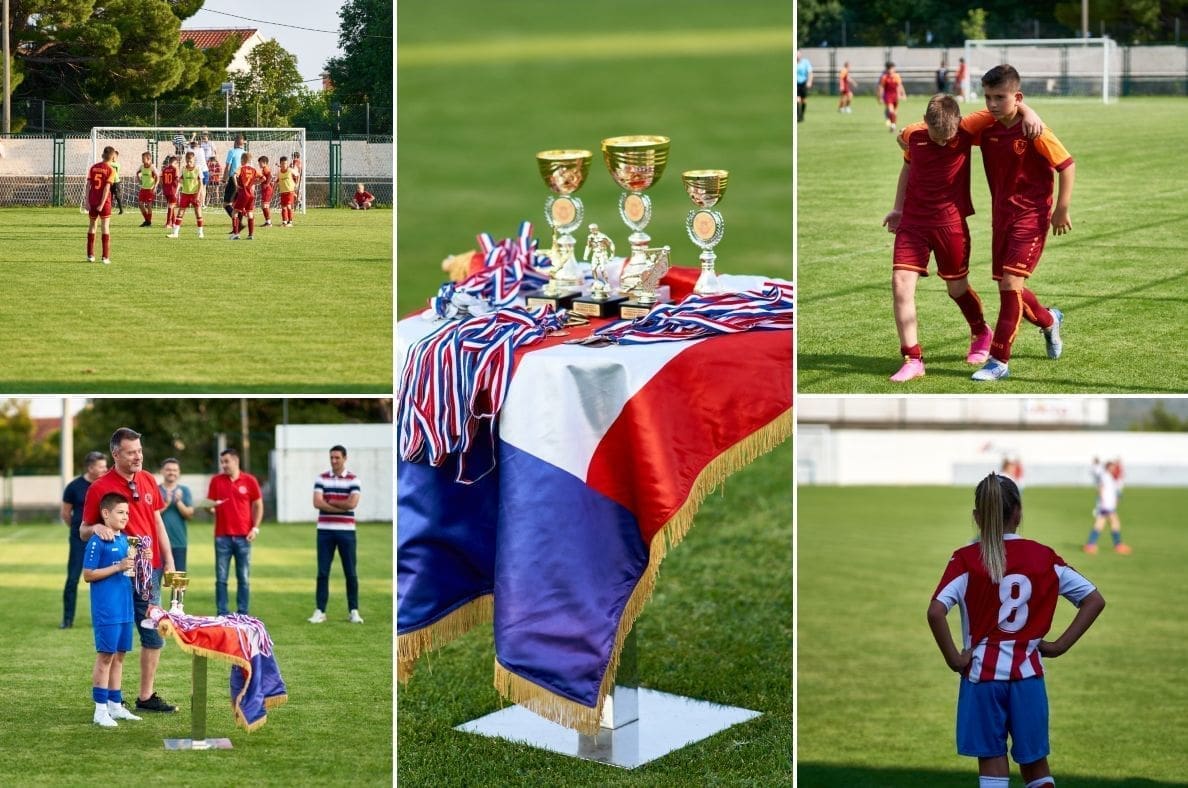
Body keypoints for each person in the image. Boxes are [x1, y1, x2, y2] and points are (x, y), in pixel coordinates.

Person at [928, 472, 1106, 788]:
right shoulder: (1044, 556)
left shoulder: (966, 559)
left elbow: (936, 611)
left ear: (977, 517)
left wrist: (955, 659)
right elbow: (1093, 599)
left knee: (993, 762)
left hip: (982, 677)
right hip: (1028, 676)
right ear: (1019, 512)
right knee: (1036, 765)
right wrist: (1059, 645)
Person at [882, 95, 1042, 382]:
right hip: (913, 224)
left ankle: (981, 331)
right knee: (900, 285)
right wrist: (897, 209)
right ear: (925, 123)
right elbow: (907, 165)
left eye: (949, 137)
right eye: (936, 136)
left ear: (958, 123)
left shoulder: (968, 127)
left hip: (950, 226)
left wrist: (1029, 112)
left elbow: (1004, 107)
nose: (943, 142)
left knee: (956, 289)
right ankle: (913, 358)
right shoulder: (913, 135)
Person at [969, 65, 1075, 382]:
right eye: (987, 97)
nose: (991, 104)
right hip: (1002, 216)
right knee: (1011, 286)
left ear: (1016, 96)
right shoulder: (986, 127)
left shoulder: (1035, 130)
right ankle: (1049, 320)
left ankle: (998, 360)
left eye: (999, 97)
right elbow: (950, 129)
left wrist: (1062, 209)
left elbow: (1067, 165)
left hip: (1031, 216)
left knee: (1010, 285)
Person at [80, 427, 177, 713]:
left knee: (153, 634)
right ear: (116, 454)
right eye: (131, 452)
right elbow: (83, 529)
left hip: (151, 571)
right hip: (119, 575)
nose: (138, 456)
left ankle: (146, 697)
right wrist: (96, 526)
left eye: (140, 451)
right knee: (117, 640)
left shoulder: (148, 479)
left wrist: (169, 560)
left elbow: (157, 522)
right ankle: (111, 698)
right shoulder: (99, 487)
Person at [82, 492, 144, 727]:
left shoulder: (125, 539)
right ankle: (100, 710)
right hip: (107, 608)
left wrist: (141, 562)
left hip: (125, 607)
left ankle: (115, 706)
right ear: (106, 514)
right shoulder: (97, 540)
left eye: (127, 513)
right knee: (106, 656)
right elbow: (88, 575)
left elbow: (128, 570)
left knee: (120, 656)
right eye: (120, 512)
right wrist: (117, 566)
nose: (125, 517)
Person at [309, 445, 363, 624]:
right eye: (331, 457)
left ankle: (353, 610)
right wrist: (341, 504)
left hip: (347, 532)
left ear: (345, 458)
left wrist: (330, 501)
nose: (333, 461)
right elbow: (317, 502)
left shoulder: (354, 480)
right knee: (323, 572)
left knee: (351, 572)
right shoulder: (321, 478)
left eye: (337, 458)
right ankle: (320, 610)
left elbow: (352, 504)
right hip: (324, 531)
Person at [207, 448, 263, 616]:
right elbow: (210, 503)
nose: (223, 465)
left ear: (236, 461)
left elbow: (258, 505)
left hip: (244, 537)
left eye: (226, 461)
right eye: (222, 462)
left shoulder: (250, 480)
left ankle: (242, 612)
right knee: (221, 579)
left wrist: (255, 528)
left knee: (243, 578)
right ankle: (222, 612)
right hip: (222, 537)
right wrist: (211, 507)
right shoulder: (216, 481)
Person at [60, 451, 108, 629]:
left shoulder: (105, 485)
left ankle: (103, 619)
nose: (105, 469)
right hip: (79, 540)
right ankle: (67, 620)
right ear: (90, 468)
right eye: (101, 466)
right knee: (73, 579)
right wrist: (78, 531)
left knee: (104, 578)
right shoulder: (73, 487)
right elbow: (65, 513)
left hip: (103, 538)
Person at [1084, 458, 1130, 555]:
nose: (1114, 469)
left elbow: (1113, 491)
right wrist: (1104, 502)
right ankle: (1118, 545)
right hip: (1105, 506)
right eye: (1112, 467)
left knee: (1101, 524)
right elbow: (1101, 488)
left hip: (1108, 506)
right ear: (1108, 467)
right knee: (1114, 523)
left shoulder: (1110, 477)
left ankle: (1090, 545)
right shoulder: (1105, 476)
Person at [158, 458, 194, 571]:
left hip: (179, 542)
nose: (171, 472)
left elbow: (189, 514)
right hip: (158, 544)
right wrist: (166, 504)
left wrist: (178, 502)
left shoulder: (185, 490)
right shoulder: (156, 490)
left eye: (175, 470)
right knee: (154, 583)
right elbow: (150, 515)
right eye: (168, 469)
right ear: (162, 471)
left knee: (178, 584)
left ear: (179, 473)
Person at [85, 145, 117, 264]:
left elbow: (88, 186)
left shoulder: (93, 168)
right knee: (105, 227)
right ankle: (105, 257)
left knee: (92, 225)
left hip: (92, 201)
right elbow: (107, 188)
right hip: (104, 203)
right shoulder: (111, 170)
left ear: (103, 155)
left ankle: (90, 255)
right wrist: (102, 204)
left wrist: (86, 202)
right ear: (112, 156)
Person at [171, 150, 205, 239]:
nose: (189, 163)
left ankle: (200, 232)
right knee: (180, 212)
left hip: (195, 194)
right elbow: (181, 181)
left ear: (194, 161)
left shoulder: (198, 169)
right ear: (185, 160)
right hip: (185, 194)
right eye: (187, 161)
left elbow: (201, 183)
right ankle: (175, 233)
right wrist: (176, 191)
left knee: (198, 213)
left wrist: (198, 194)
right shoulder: (183, 169)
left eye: (191, 161)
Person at [230, 156, 260, 240]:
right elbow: (263, 178)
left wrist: (236, 186)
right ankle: (250, 235)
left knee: (234, 212)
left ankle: (236, 234)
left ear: (243, 160)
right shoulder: (254, 170)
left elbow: (234, 175)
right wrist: (254, 183)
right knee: (250, 213)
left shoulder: (241, 168)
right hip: (251, 194)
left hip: (243, 193)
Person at [878, 61, 907, 132]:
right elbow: (881, 87)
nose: (891, 70)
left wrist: (903, 94)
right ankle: (893, 125)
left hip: (895, 96)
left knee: (895, 112)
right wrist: (880, 97)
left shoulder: (896, 76)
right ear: (887, 69)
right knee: (891, 110)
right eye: (889, 69)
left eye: (892, 68)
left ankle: (893, 123)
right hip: (888, 96)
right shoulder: (884, 77)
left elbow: (900, 86)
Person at [223, 133, 247, 219]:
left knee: (226, 204)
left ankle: (237, 222)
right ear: (243, 143)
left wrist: (224, 178)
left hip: (234, 179)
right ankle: (240, 221)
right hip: (243, 180)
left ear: (235, 142)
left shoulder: (232, 151)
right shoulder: (245, 153)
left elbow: (228, 166)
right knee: (237, 204)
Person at [135, 151, 158, 228]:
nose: (142, 160)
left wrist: (155, 186)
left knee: (148, 205)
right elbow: (137, 173)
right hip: (143, 188)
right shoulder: (142, 167)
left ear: (149, 159)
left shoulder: (152, 167)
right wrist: (139, 180)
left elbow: (157, 177)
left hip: (150, 189)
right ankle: (147, 221)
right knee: (140, 204)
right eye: (142, 158)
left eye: (143, 159)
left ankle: (148, 222)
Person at [160, 155, 180, 236]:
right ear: (175, 163)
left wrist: (163, 187)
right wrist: (177, 189)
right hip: (173, 190)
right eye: (177, 163)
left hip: (166, 190)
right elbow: (178, 179)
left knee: (171, 206)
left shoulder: (164, 169)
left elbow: (161, 179)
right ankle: (168, 223)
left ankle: (174, 222)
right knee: (171, 206)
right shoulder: (175, 169)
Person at [276, 156, 299, 227]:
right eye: (282, 164)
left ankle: (290, 222)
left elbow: (297, 175)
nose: (284, 165)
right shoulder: (279, 172)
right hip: (283, 192)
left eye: (285, 163)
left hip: (290, 191)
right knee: (283, 207)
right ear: (280, 164)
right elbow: (278, 180)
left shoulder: (290, 170)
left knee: (289, 206)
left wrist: (296, 184)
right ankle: (284, 222)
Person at [795, 50, 813, 122]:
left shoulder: (805, 62)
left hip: (803, 83)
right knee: (797, 100)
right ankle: (797, 115)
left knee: (803, 100)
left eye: (798, 54)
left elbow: (810, 72)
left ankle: (802, 114)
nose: (797, 56)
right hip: (796, 84)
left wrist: (809, 82)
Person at [257, 155, 275, 227]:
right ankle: (267, 221)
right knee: (263, 206)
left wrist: (267, 184)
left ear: (264, 162)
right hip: (266, 189)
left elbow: (270, 175)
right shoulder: (264, 169)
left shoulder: (265, 168)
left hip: (267, 190)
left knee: (265, 206)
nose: (259, 164)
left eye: (260, 163)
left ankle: (269, 222)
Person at [109, 149, 125, 216]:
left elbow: (112, 165)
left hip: (116, 182)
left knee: (118, 196)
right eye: (112, 156)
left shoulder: (117, 164)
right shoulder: (109, 163)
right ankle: (108, 210)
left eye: (114, 157)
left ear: (116, 157)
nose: (113, 158)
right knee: (109, 196)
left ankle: (121, 210)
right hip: (109, 182)